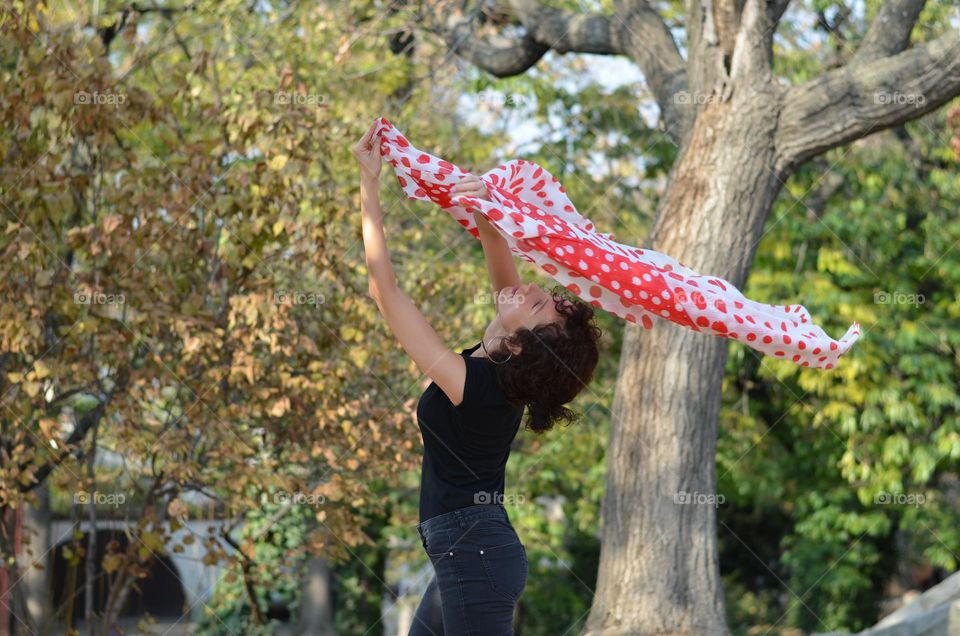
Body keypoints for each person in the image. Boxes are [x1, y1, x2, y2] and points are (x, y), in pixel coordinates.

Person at [354, 121, 602, 635]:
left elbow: (387, 294)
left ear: (522, 344)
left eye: (536, 303)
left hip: (475, 556)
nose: (528, 287)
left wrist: (369, 186)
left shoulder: (478, 387)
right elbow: (498, 255)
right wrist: (488, 206)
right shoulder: (500, 363)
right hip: (466, 554)